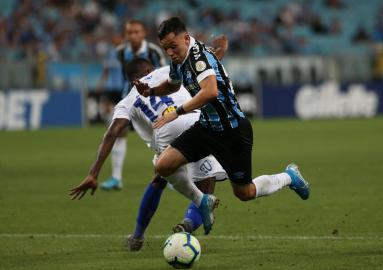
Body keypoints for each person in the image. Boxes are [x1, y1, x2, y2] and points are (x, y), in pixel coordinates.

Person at [134, 17, 310, 233]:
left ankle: (289, 177)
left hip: (233, 131)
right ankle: (202, 201)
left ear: (186, 39)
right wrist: (150, 91)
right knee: (163, 166)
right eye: (165, 48)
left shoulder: (199, 57)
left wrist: (177, 112)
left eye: (173, 46)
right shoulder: (179, 58)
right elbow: (173, 84)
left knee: (244, 192)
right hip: (206, 128)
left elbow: (210, 91)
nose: (170, 52)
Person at [70, 36, 230, 250]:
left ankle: (137, 236)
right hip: (195, 121)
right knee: (207, 178)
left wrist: (94, 173)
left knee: (160, 176)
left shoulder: (126, 101)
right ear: (149, 70)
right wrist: (219, 50)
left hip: (166, 132)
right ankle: (189, 223)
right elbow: (206, 61)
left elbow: (112, 133)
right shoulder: (169, 71)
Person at [99, 19, 166, 191]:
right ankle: (116, 178)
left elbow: (166, 74)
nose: (133, 35)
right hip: (129, 97)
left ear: (143, 34)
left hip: (152, 100)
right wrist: (110, 98)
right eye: (129, 32)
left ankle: (171, 171)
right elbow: (121, 77)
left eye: (136, 32)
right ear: (125, 34)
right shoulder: (120, 52)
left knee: (162, 134)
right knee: (119, 132)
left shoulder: (153, 52)